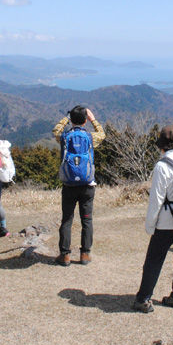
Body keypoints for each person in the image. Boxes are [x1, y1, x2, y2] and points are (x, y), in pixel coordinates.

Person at [132, 126, 173, 313]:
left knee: (154, 260)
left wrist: (150, 226)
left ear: (162, 145)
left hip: (167, 221)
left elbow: (156, 200)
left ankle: (143, 299)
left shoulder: (162, 166)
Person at [52, 106, 105, 266]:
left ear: (72, 119)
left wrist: (66, 118)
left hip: (69, 185)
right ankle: (85, 254)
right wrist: (93, 119)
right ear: (85, 120)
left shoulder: (64, 136)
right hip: (88, 185)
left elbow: (56, 130)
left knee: (67, 220)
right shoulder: (90, 137)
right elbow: (103, 134)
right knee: (87, 219)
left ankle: (65, 255)